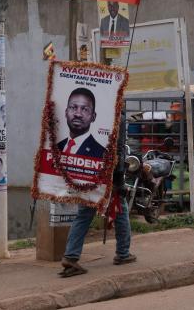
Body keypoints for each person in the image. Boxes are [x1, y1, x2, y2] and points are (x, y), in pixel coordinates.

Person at [59, 125, 135, 277]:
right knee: (120, 210)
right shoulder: (116, 112)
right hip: (107, 175)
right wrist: (119, 180)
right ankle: (123, 253)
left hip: (90, 171)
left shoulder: (99, 110)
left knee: (83, 215)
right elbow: (118, 149)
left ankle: (70, 256)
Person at [56, 88, 106, 159]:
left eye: (85, 109)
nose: (78, 114)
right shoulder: (56, 147)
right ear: (66, 112)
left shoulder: (102, 154)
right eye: (73, 107)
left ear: (93, 117)